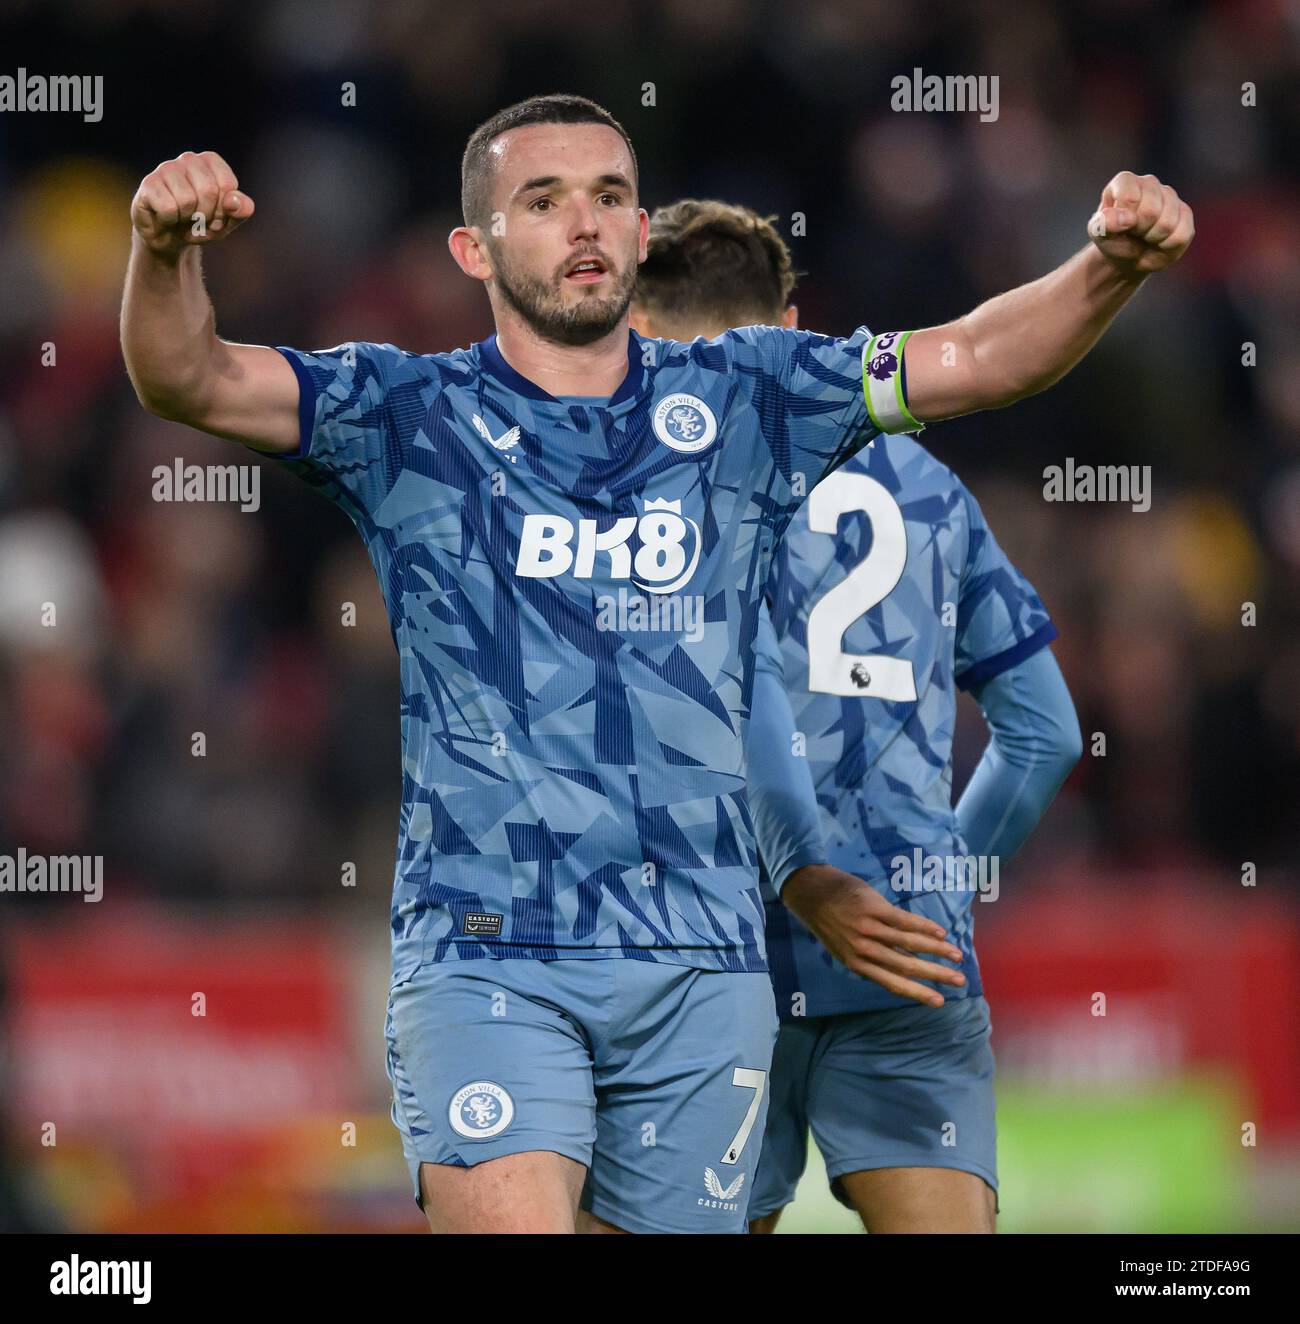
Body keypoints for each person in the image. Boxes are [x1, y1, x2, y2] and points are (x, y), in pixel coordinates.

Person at [119, 94, 1191, 1234]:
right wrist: (160, 253)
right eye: (542, 201)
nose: (582, 222)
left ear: (641, 234)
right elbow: (189, 378)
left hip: (705, 967)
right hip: (491, 950)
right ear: (472, 247)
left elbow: (976, 357)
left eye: (609, 196)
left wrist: (1106, 266)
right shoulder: (407, 413)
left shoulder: (753, 396)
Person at [632, 199, 1083, 1233]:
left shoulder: (657, 487)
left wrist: (801, 876)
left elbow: (735, 695)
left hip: (719, 948)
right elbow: (1046, 732)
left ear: (638, 336)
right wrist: (932, 885)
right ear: (791, 327)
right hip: (903, 960)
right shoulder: (926, 480)